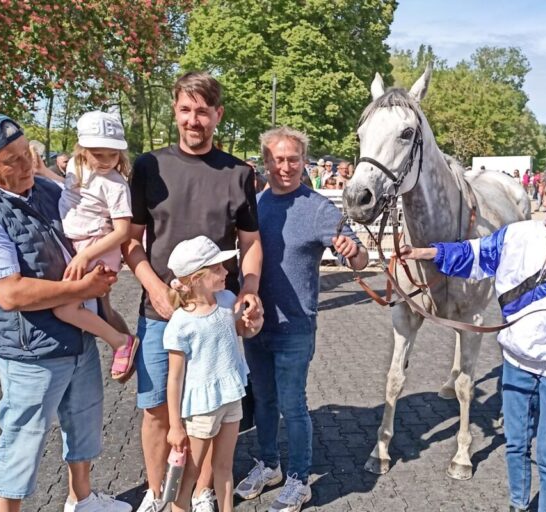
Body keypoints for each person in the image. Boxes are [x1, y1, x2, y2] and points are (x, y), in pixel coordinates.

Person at [399, 156, 546, 512]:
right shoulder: (520, 234)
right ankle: (517, 505)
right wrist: (430, 252)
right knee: (515, 443)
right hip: (516, 361)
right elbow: (477, 253)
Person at [0, 113, 131, 511]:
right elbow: (11, 293)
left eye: (25, 152)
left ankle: (81, 500)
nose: (26, 164)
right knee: (22, 440)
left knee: (83, 424)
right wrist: (82, 288)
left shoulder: (43, 190)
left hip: (76, 334)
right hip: (29, 349)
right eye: (10, 160)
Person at [123, 71, 263, 512]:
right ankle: (157, 490)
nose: (194, 119)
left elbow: (251, 242)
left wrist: (250, 291)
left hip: (218, 315)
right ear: (175, 111)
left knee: (212, 409)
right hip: (158, 312)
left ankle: (201, 491)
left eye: (203, 110)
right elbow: (131, 241)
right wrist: (154, 287)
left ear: (217, 114)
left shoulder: (239, 173)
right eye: (186, 109)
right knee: (156, 410)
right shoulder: (149, 167)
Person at [234, 127, 368, 512]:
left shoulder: (318, 208)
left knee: (293, 405)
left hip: (295, 326)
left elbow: (359, 259)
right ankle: (269, 465)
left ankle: (298, 479)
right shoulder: (254, 206)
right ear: (266, 162)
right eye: (278, 159)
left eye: (293, 159)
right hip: (255, 323)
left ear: (304, 161)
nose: (286, 166)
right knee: (262, 400)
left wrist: (351, 250)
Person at [164, 236, 263, 512]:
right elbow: (174, 378)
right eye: (218, 269)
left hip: (231, 395)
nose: (226, 272)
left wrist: (252, 324)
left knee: (224, 466)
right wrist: (175, 425)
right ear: (197, 278)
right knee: (190, 475)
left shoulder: (227, 300)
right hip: (201, 406)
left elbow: (241, 331)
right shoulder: (181, 323)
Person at [55, 111, 139, 381]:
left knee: (65, 307)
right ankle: (127, 352)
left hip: (96, 247)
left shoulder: (116, 185)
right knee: (102, 306)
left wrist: (86, 255)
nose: (106, 161)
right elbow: (69, 192)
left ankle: (120, 343)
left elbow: (123, 230)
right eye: (98, 154)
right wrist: (41, 171)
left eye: (112, 155)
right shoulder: (74, 168)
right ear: (82, 150)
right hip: (80, 244)